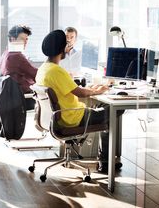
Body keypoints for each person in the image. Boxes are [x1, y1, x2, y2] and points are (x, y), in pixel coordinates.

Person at [35, 30, 120, 173]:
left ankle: (106, 160)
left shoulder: (43, 69)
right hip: (73, 118)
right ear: (63, 48)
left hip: (58, 117)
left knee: (103, 107)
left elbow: (71, 88)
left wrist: (91, 89)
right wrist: (96, 91)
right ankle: (105, 163)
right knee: (115, 108)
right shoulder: (56, 71)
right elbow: (79, 92)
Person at [0, 25, 37, 111]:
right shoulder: (16, 56)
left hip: (11, 97)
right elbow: (35, 74)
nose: (25, 42)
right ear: (12, 39)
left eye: (26, 39)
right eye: (22, 39)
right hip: (22, 98)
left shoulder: (6, 54)